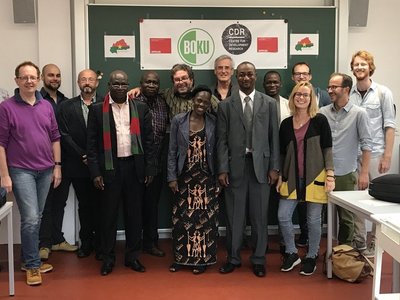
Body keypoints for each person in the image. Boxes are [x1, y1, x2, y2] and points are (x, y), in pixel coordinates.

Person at [87, 70, 156, 276]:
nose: (119, 87)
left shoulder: (140, 108)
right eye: (115, 84)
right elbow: (91, 145)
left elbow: (149, 141)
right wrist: (95, 172)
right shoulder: (97, 110)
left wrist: (150, 168)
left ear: (128, 85)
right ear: (108, 85)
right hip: (109, 168)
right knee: (108, 216)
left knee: (134, 215)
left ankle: (132, 257)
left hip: (134, 168)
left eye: (123, 84)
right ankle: (108, 258)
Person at [0, 61, 61, 285]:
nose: (29, 81)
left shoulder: (46, 106)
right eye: (24, 77)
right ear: (16, 80)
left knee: (36, 217)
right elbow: (1, 144)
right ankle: (33, 266)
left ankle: (28, 258)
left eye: (33, 77)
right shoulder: (7, 107)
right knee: (31, 218)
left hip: (46, 169)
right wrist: (4, 175)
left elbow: (55, 137)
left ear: (38, 80)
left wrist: (57, 166)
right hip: (21, 171)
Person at [217, 61, 280, 277]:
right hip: (235, 167)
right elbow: (221, 140)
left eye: (249, 75)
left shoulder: (269, 103)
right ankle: (233, 258)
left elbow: (274, 138)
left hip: (261, 167)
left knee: (259, 217)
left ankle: (259, 259)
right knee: (234, 216)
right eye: (241, 75)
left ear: (255, 76)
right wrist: (222, 169)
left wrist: (274, 168)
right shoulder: (226, 105)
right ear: (236, 76)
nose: (245, 78)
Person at [277, 81, 334, 276]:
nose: (301, 98)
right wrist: (279, 176)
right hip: (291, 177)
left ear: (312, 99)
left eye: (306, 95)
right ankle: (292, 254)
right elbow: (282, 154)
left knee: (313, 220)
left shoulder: (320, 120)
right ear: (293, 97)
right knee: (283, 216)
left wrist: (330, 175)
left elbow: (327, 149)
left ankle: (311, 256)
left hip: (315, 176)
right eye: (298, 94)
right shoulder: (285, 124)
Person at [167, 85, 219, 275]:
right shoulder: (178, 121)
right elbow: (172, 151)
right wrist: (172, 177)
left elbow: (219, 154)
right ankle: (181, 259)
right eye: (199, 100)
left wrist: (218, 180)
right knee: (181, 221)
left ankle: (202, 260)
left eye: (206, 102)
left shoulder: (213, 122)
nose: (201, 104)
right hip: (183, 178)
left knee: (205, 223)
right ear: (192, 100)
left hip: (206, 178)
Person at [349, 50, 396, 256]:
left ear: (370, 68)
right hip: (354, 156)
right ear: (352, 68)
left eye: (363, 64)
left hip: (377, 155)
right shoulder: (348, 94)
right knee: (356, 202)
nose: (359, 68)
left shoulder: (383, 93)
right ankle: (359, 242)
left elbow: (390, 125)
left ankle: (378, 243)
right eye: (356, 64)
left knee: (381, 201)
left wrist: (387, 155)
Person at [320, 72, 372, 246]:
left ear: (347, 89)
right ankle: (322, 252)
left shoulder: (359, 114)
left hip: (346, 173)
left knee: (346, 218)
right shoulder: (322, 113)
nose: (330, 90)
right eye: (329, 87)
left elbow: (366, 144)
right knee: (317, 215)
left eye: (334, 87)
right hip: (322, 173)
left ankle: (344, 253)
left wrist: (364, 173)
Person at [57, 69, 103, 258]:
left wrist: (94, 157)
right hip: (78, 166)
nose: (87, 82)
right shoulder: (66, 106)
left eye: (91, 79)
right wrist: (84, 155)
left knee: (101, 206)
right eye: (83, 79)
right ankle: (86, 243)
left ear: (97, 83)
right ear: (78, 83)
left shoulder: (106, 104)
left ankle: (101, 245)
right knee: (84, 206)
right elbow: (64, 135)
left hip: (100, 166)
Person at [290, 61, 331, 248]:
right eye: (298, 74)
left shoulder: (321, 115)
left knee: (314, 216)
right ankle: (303, 236)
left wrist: (329, 173)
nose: (301, 77)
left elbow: (327, 146)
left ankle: (313, 252)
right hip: (294, 173)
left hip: (316, 170)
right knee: (296, 209)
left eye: (305, 73)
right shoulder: (288, 117)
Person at [39, 64, 77, 261]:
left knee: (59, 203)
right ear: (42, 78)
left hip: (65, 161)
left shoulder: (66, 101)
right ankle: (43, 244)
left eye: (57, 75)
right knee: (45, 205)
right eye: (50, 75)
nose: (54, 78)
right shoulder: (36, 101)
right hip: (44, 161)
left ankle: (57, 239)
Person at [135, 71, 168, 257]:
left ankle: (151, 242)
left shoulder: (163, 101)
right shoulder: (131, 101)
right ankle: (134, 243)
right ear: (141, 84)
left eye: (155, 82)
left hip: (157, 161)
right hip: (136, 161)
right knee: (134, 205)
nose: (151, 85)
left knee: (152, 205)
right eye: (147, 82)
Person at [129, 63, 219, 120]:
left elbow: (222, 113)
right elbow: (152, 90)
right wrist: (139, 89)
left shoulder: (204, 96)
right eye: (177, 79)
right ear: (173, 82)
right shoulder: (167, 94)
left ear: (191, 80)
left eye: (184, 78)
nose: (181, 82)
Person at [263, 70, 290, 254]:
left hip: (286, 160)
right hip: (263, 163)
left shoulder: (289, 105)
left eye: (275, 82)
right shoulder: (259, 103)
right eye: (269, 82)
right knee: (262, 206)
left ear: (280, 84)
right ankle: (261, 242)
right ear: (264, 85)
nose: (272, 85)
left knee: (284, 204)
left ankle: (284, 242)